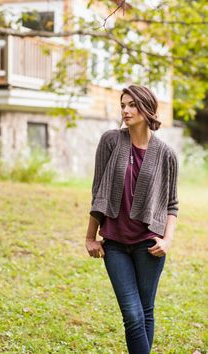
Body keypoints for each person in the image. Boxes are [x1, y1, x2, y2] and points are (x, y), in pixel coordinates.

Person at [85, 84, 179, 354]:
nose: (125, 110)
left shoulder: (166, 154)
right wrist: (91, 236)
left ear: (146, 108)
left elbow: (172, 204)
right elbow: (98, 192)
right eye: (123, 105)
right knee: (133, 315)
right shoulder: (111, 141)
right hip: (114, 244)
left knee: (146, 311)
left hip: (148, 244)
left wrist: (168, 240)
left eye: (131, 105)